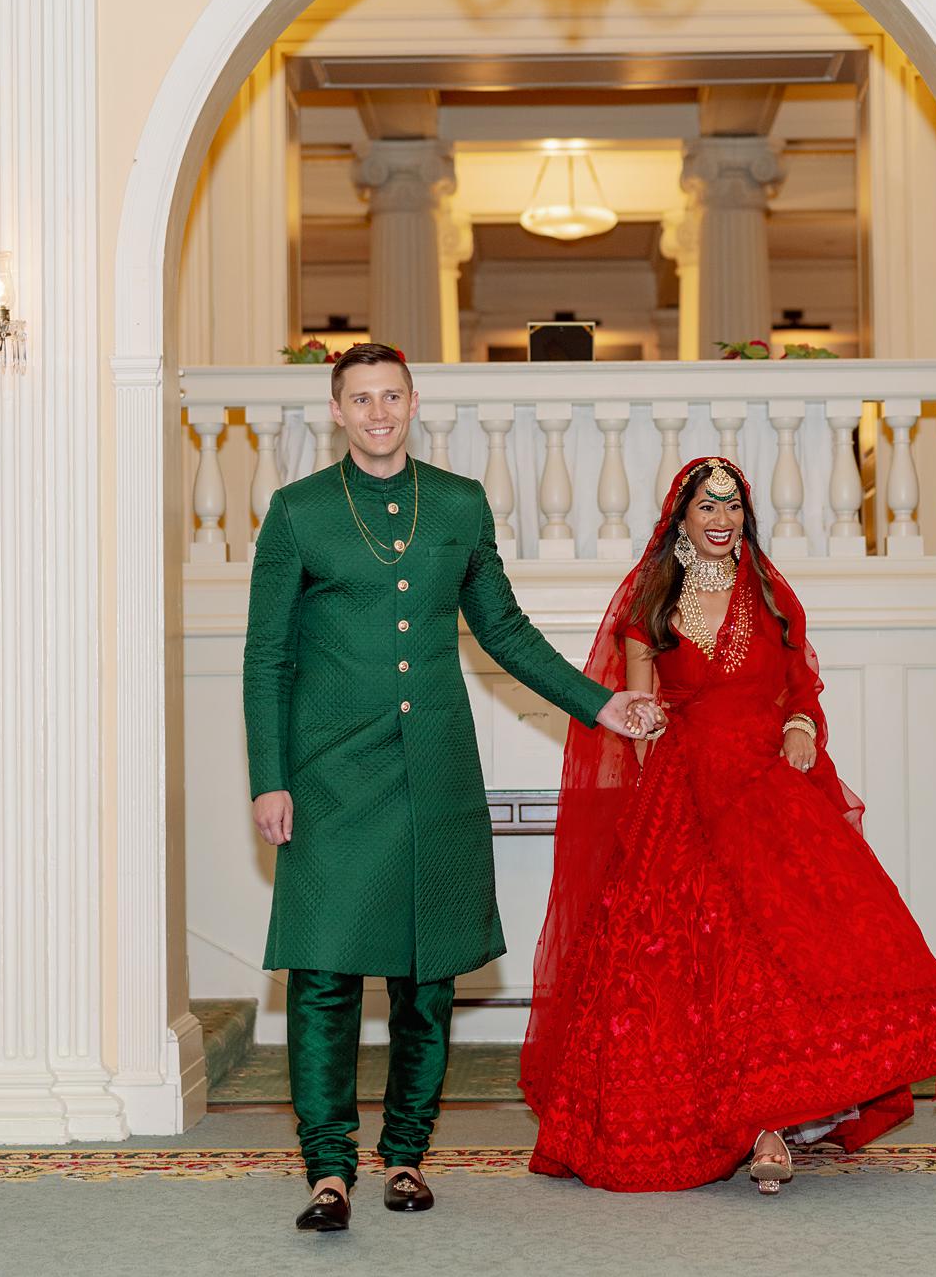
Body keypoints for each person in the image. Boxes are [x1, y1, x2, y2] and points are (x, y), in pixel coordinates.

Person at [243, 342, 659, 1234]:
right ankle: (328, 1168)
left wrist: (601, 705)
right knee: (322, 974)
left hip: (432, 772)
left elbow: (502, 628)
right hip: (328, 778)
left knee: (426, 979)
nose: (379, 411)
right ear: (339, 410)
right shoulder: (297, 513)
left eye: (392, 395)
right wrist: (269, 780)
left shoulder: (460, 504)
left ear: (413, 400)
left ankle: (403, 1157)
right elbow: (266, 658)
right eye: (362, 399)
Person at [521, 457, 936, 1194]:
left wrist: (802, 723)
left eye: (732, 505)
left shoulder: (771, 596)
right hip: (681, 794)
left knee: (784, 953)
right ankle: (747, 1123)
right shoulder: (650, 609)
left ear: (745, 517)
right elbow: (639, 715)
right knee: (697, 963)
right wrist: (648, 789)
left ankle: (772, 1118)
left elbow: (799, 684)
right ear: (680, 519)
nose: (720, 517)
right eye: (706, 505)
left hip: (765, 790)